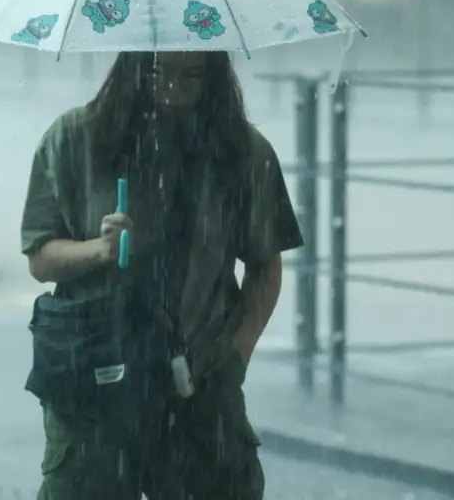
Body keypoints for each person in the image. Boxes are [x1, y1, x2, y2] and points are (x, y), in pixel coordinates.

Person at [21, 50, 304, 499]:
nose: (172, 92)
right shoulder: (75, 138)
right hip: (95, 380)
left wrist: (236, 356)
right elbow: (40, 257)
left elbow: (265, 264)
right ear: (133, 68)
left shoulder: (242, 152)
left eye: (191, 77)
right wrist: (99, 250)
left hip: (199, 385)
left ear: (214, 76)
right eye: (158, 73)